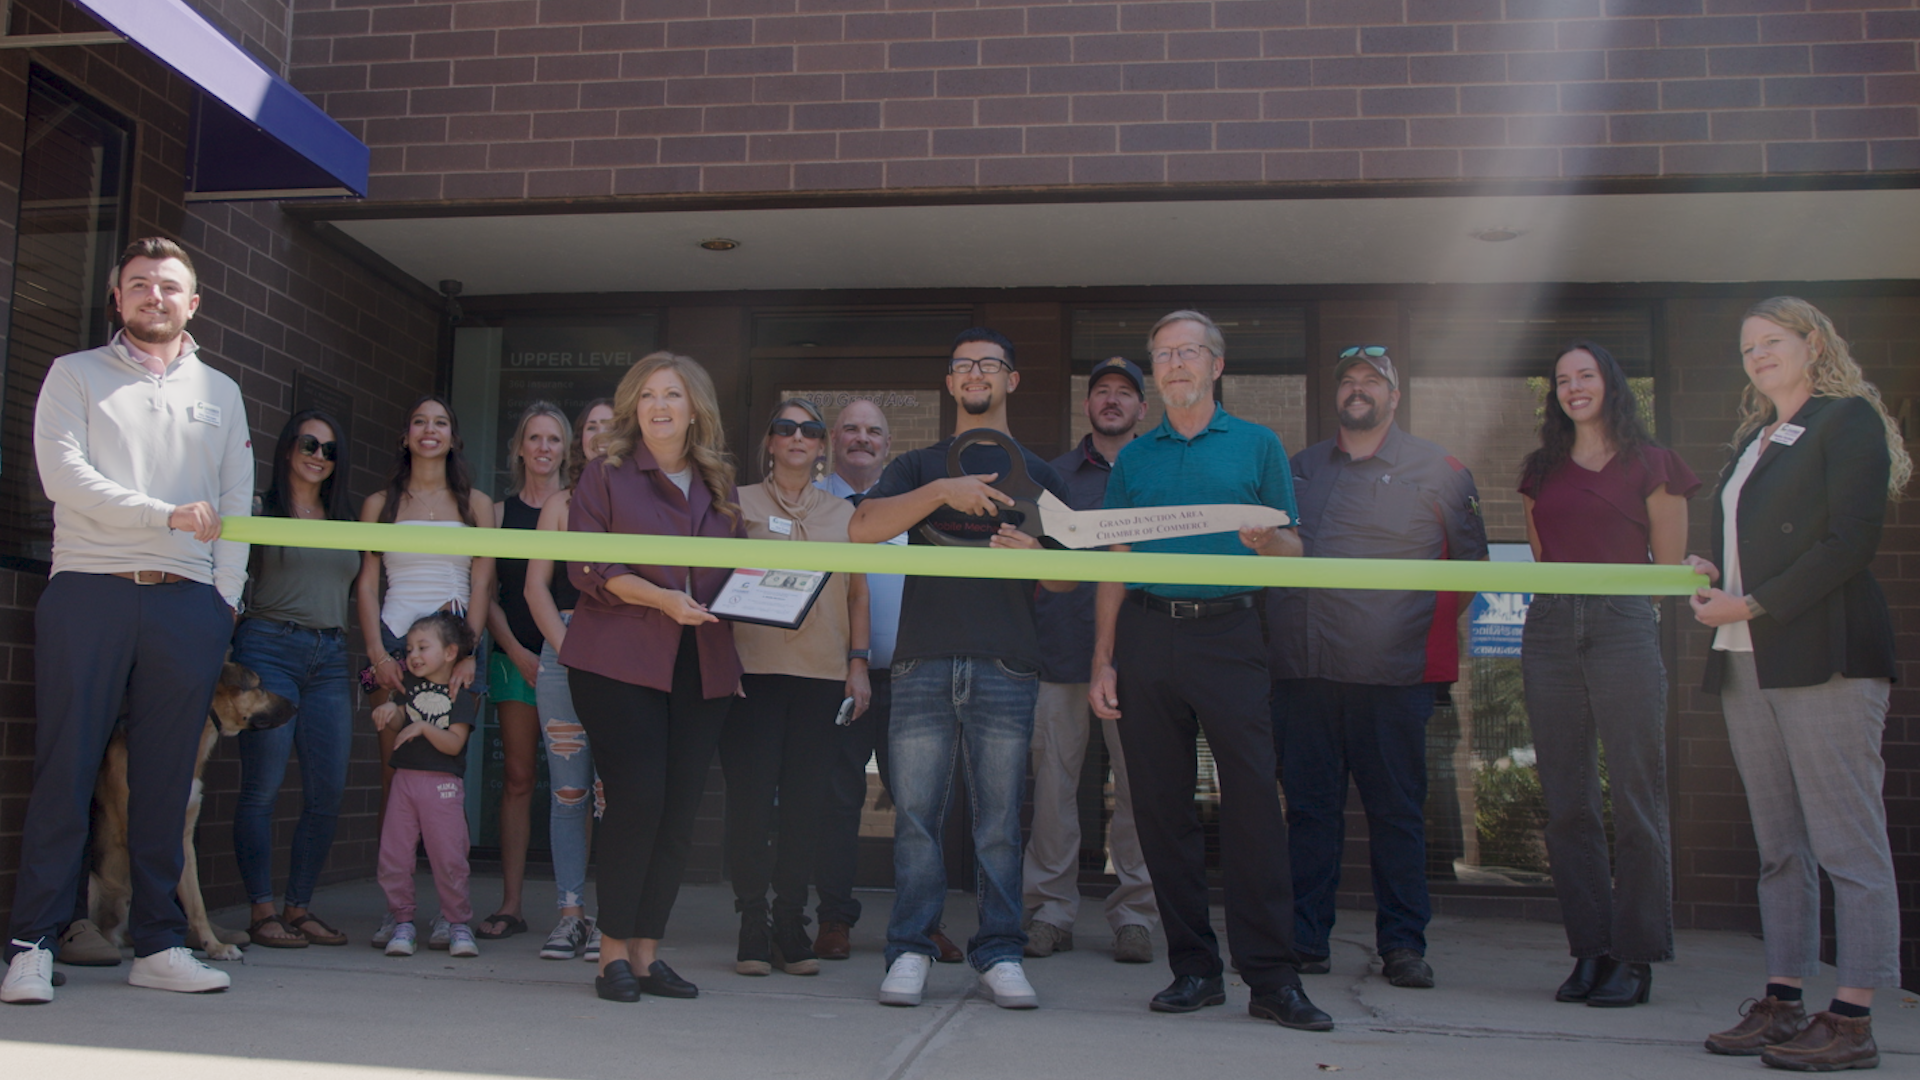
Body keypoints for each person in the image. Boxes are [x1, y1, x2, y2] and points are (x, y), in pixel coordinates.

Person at [2, 237, 249, 1004]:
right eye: (139, 284)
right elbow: (63, 477)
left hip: (188, 604)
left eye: (169, 286)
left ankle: (158, 943)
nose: (154, 296)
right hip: (91, 589)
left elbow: (239, 503)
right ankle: (31, 946)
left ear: (193, 303)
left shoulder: (222, 391)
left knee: (165, 785)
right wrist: (164, 515)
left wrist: (223, 603)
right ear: (118, 298)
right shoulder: (74, 375)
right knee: (67, 769)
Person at [1088, 310, 1331, 1031]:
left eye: (1187, 352)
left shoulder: (1257, 445)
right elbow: (1116, 566)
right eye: (1161, 355)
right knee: (1162, 813)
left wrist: (1271, 540)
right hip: (1147, 637)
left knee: (1255, 808)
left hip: (1230, 634)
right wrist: (1102, 660)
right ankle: (1193, 969)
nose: (1173, 364)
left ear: (1216, 366)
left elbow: (1294, 555)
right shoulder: (1135, 458)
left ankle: (1271, 979)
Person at [1689, 298, 1908, 1071]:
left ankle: (1852, 1018)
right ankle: (1783, 1002)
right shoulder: (1753, 439)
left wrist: (1752, 600)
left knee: (1848, 843)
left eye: (1772, 341)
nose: (1758, 355)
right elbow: (1741, 534)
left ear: (1813, 344)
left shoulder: (1845, 421)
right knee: (1780, 846)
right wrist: (1709, 567)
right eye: (1748, 346)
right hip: (1746, 657)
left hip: (1824, 654)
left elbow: (1850, 542)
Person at [849, 327, 1073, 1011]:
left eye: (990, 364)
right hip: (919, 661)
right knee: (915, 816)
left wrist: (1033, 554)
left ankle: (999, 951)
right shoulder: (918, 466)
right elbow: (862, 529)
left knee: (999, 821)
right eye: (963, 365)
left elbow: (1068, 580)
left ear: (1011, 380)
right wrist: (942, 490)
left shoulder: (1042, 472)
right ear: (950, 384)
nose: (976, 374)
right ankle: (911, 948)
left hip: (1008, 663)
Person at [1267, 346, 1487, 991]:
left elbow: (1469, 572)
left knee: (1397, 813)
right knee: (1309, 811)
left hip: (1395, 679)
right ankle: (1307, 939)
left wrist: (1407, 635)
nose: (1358, 390)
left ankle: (1403, 945)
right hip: (1306, 674)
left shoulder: (1440, 469)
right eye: (1349, 382)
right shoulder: (1299, 469)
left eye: (1373, 381)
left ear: (1394, 396)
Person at [1519, 342, 1698, 1008]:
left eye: (1585, 375)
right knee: (1568, 802)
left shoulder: (1654, 464)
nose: (1574, 388)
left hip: (1624, 624)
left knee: (1636, 797)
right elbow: (1543, 555)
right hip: (1550, 628)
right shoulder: (1541, 469)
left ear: (1609, 383)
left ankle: (1637, 956)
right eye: (1562, 380)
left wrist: (1614, 611)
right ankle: (1590, 951)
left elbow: (1668, 570)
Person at [563, 352, 745, 1004]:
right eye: (646, 396)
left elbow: (734, 581)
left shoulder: (719, 484)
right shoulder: (606, 475)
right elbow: (587, 567)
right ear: (633, 408)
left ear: (695, 407)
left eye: (672, 394)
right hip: (618, 660)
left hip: (702, 666)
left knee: (676, 812)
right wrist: (662, 599)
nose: (659, 406)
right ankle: (610, 954)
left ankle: (646, 956)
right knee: (638, 798)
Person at [808, 401, 964, 965]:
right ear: (832, 439)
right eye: (851, 428)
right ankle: (833, 919)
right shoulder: (816, 505)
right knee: (837, 800)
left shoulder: (909, 509)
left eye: (874, 431)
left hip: (910, 676)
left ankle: (925, 923)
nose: (861, 439)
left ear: (888, 443)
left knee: (919, 805)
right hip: (834, 675)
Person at [721, 399, 871, 977]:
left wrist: (857, 665)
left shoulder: (844, 512)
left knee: (806, 808)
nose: (798, 437)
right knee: (752, 806)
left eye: (810, 430)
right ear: (770, 441)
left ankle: (791, 920)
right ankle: (752, 921)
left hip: (821, 676)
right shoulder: (736, 502)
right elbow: (711, 581)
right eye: (785, 427)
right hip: (750, 675)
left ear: (821, 444)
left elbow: (858, 594)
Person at [1022, 357, 1157, 965]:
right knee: (1054, 792)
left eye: (1124, 393)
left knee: (1139, 791)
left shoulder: (1159, 469)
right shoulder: (1052, 475)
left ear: (1142, 409)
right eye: (1101, 391)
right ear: (1087, 406)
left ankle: (1136, 916)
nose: (1111, 400)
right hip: (1060, 655)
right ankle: (1049, 911)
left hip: (1142, 658)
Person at [355, 394, 494, 950]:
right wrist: (376, 653)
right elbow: (367, 583)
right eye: (419, 422)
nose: (429, 430)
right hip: (394, 643)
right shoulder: (379, 503)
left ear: (453, 437)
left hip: (455, 650)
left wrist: (469, 651)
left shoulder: (476, 503)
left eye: (440, 423)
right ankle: (400, 912)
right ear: (406, 435)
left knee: (446, 776)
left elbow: (483, 583)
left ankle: (451, 914)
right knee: (397, 775)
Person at [230, 410, 362, 950]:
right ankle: (262, 912)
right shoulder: (260, 510)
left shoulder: (347, 518)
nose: (318, 456)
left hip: (330, 655)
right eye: (310, 444)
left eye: (330, 450)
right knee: (261, 789)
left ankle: (298, 908)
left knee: (327, 791)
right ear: (288, 448)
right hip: (269, 648)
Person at [526, 398, 615, 962]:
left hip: (624, 655)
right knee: (569, 793)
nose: (600, 436)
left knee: (616, 794)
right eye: (590, 428)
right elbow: (536, 588)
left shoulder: (638, 500)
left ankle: (614, 918)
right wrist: (570, 651)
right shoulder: (560, 502)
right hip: (564, 651)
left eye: (611, 426)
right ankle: (569, 915)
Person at [480, 401, 572, 943]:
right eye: (534, 438)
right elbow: (487, 594)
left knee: (574, 784)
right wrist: (517, 651)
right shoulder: (495, 514)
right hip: (516, 657)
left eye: (554, 440)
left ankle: (573, 910)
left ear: (566, 449)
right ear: (519, 447)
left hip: (573, 660)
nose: (543, 448)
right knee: (518, 780)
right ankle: (511, 904)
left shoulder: (580, 508)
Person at [374, 612, 482, 960]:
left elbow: (453, 744)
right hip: (405, 781)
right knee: (394, 855)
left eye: (423, 647)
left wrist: (422, 728)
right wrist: (390, 712)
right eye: (409, 649)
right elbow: (398, 727)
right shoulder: (407, 685)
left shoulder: (460, 692)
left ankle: (456, 922)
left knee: (449, 856)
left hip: (442, 787)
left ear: (450, 653)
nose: (413, 655)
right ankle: (402, 919)